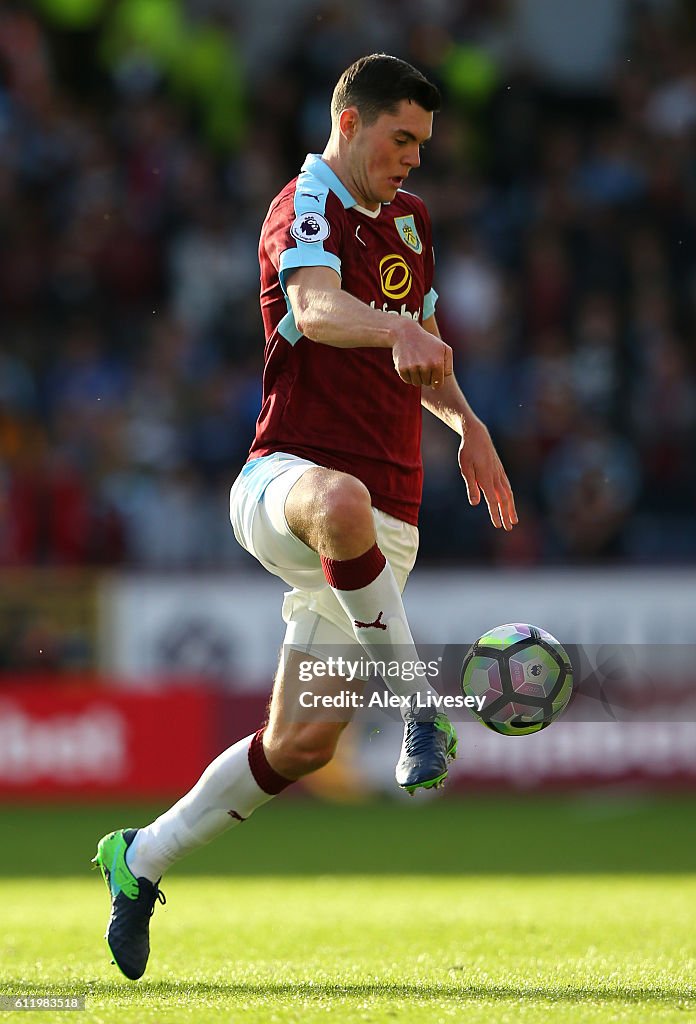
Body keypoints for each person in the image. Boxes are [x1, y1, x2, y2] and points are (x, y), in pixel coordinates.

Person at [93, 53, 517, 981]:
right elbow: (318, 310)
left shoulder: (411, 222)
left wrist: (469, 424)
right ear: (352, 123)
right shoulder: (305, 202)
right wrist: (401, 329)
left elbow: (424, 358)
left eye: (424, 144)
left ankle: (140, 860)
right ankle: (419, 707)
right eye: (401, 139)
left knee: (299, 742)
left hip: (384, 518)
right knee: (339, 501)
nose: (413, 159)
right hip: (285, 481)